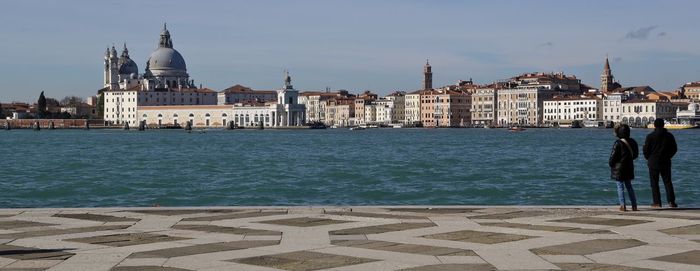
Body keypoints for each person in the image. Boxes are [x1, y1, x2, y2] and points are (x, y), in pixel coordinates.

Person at [644, 118, 678, 208]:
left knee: (654, 183)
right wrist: (669, 156)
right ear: (663, 125)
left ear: (654, 125)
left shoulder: (650, 136)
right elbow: (674, 149)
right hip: (666, 161)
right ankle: (671, 202)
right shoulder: (669, 136)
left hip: (653, 162)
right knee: (667, 182)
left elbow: (646, 150)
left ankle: (657, 202)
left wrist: (649, 158)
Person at [609, 123, 639, 211]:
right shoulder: (633, 142)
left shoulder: (618, 143)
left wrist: (611, 164)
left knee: (620, 186)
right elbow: (635, 155)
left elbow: (613, 157)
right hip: (629, 166)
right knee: (629, 186)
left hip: (619, 168)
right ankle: (634, 205)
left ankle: (623, 205)